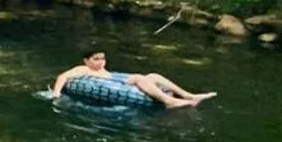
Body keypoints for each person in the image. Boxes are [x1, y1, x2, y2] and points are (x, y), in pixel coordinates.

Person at [51, 49, 216, 109]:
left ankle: (188, 95)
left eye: (102, 58)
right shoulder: (84, 69)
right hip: (116, 84)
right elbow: (63, 76)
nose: (101, 61)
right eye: (96, 59)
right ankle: (168, 101)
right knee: (139, 77)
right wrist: (57, 94)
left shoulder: (106, 71)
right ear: (87, 60)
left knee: (153, 76)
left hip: (117, 79)